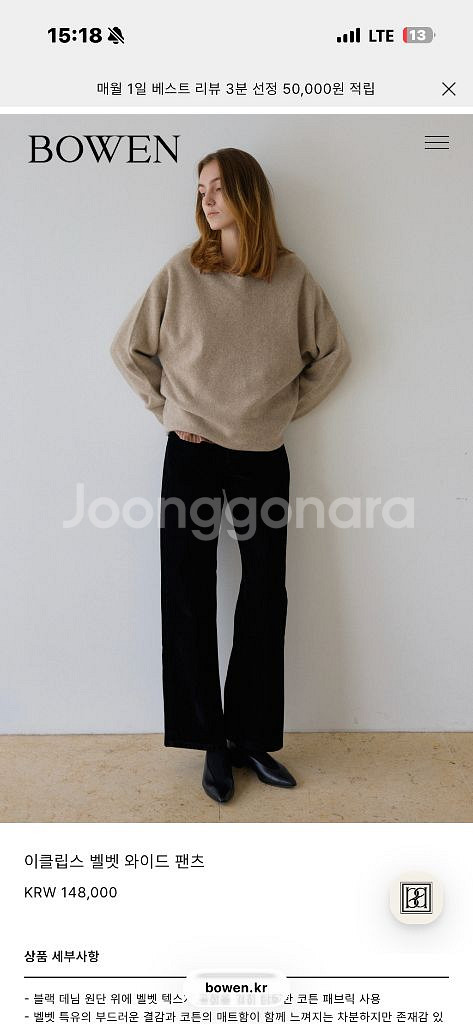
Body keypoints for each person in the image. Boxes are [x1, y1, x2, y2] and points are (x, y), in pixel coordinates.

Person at [110, 147, 351, 804]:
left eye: (217, 187)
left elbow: (332, 355)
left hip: (261, 453)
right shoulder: (183, 271)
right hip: (190, 452)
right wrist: (167, 412)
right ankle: (209, 743)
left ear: (248, 192)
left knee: (265, 594)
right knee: (187, 592)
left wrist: (281, 410)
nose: (207, 199)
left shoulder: (292, 278)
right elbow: (127, 349)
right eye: (201, 190)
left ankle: (250, 738)